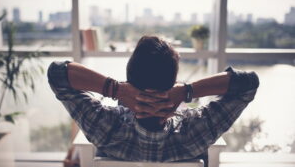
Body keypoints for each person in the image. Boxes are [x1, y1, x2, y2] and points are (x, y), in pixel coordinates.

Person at [48, 36, 259, 162]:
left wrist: (116, 90)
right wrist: (187, 91)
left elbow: (57, 74)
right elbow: (248, 84)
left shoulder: (105, 129)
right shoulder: (196, 134)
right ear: (173, 82)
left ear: (130, 80)